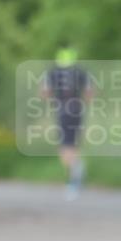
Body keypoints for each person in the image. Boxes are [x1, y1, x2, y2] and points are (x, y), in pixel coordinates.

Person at [41, 45, 92, 200]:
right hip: (77, 109)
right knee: (73, 144)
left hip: (62, 110)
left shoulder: (52, 72)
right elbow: (90, 93)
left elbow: (45, 92)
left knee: (65, 147)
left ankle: (74, 179)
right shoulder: (81, 72)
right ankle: (75, 175)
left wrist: (53, 100)